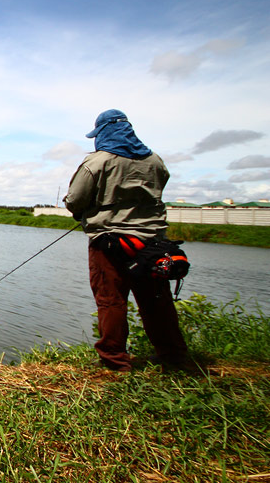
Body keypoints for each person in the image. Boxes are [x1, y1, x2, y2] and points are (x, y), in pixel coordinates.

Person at [64, 109, 190, 372]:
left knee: (111, 300)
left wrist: (85, 212)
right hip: (153, 245)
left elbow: (75, 200)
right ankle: (174, 357)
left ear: (103, 132)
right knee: (157, 301)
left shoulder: (97, 163)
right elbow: (160, 185)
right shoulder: (155, 160)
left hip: (109, 244)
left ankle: (114, 361)